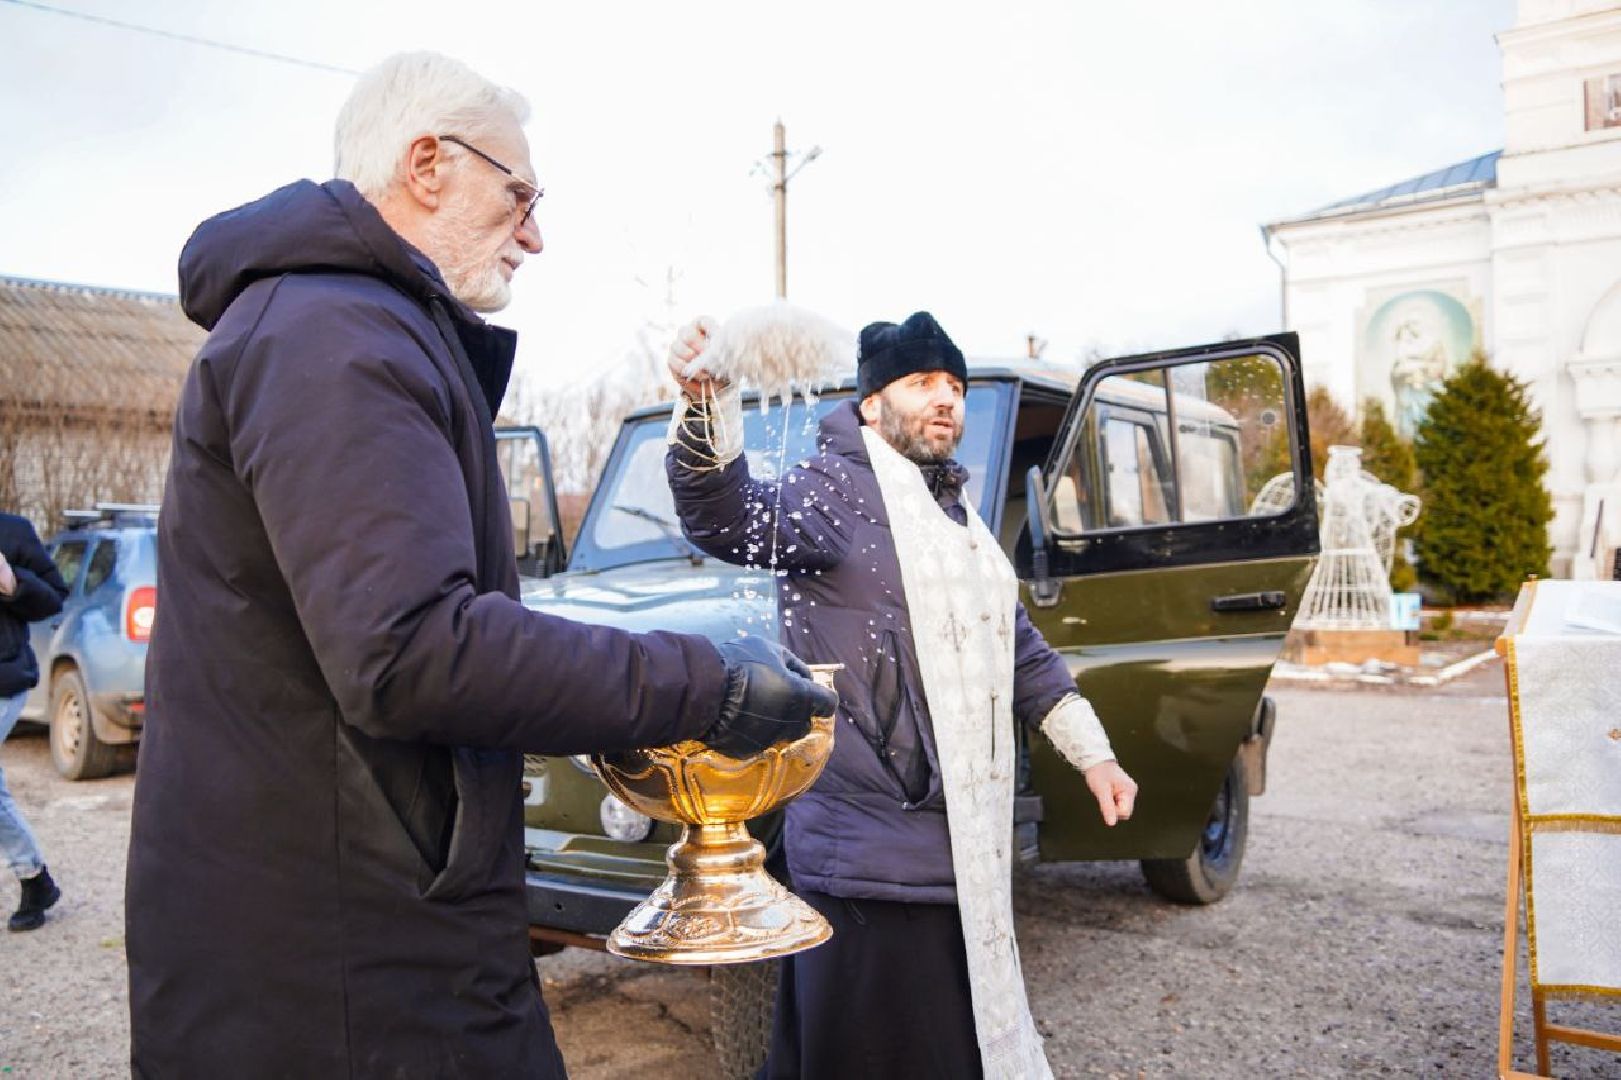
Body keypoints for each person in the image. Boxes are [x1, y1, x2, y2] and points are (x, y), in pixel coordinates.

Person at [125, 52, 833, 1079]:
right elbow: (410, 649)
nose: (536, 233)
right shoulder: (334, 338)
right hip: (342, 974)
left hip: (358, 927)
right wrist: (701, 686)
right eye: (520, 194)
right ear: (426, 165)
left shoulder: (346, 327)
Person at [666, 310, 1139, 1079]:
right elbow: (724, 517)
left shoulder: (954, 517)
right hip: (867, 856)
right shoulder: (832, 494)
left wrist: (1095, 757)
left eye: (953, 384)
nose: (946, 398)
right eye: (921, 382)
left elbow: (1018, 650)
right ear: (870, 405)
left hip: (957, 850)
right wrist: (703, 404)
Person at [0, 512, 69, 932]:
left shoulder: (12, 532)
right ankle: (35, 879)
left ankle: (35, 879)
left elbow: (54, 597)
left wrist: (12, 584)